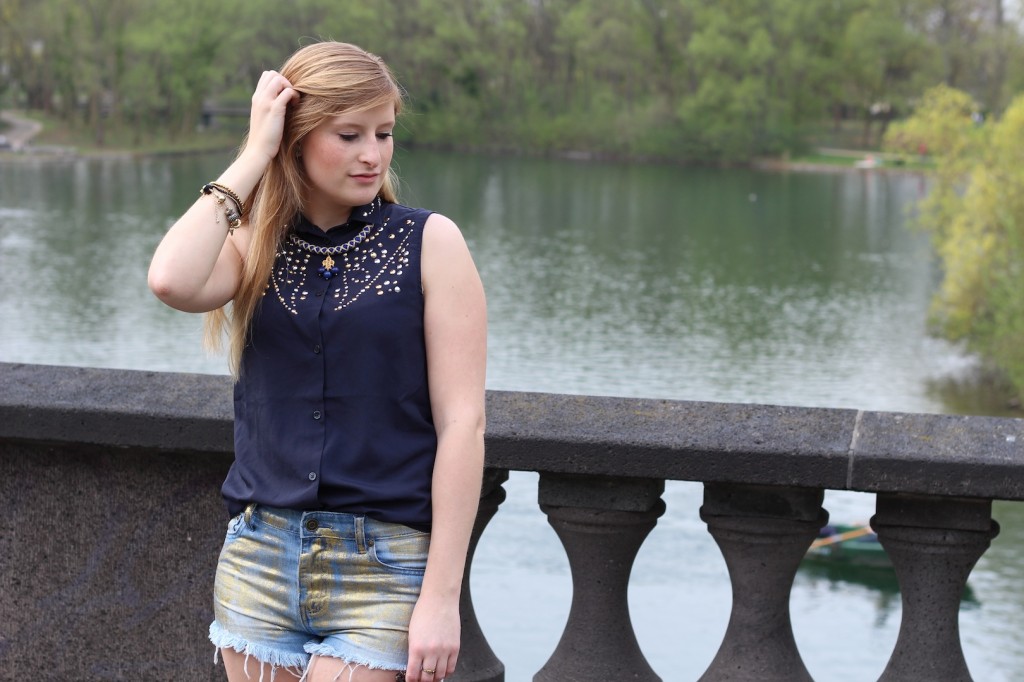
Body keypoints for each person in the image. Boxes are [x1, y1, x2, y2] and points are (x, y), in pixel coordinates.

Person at [148, 41, 487, 682]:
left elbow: (462, 425)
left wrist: (442, 597)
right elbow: (170, 279)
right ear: (296, 139)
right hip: (260, 558)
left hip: (384, 565)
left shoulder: (429, 243)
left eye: (383, 133)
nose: (372, 154)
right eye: (349, 134)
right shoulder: (253, 244)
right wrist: (255, 154)